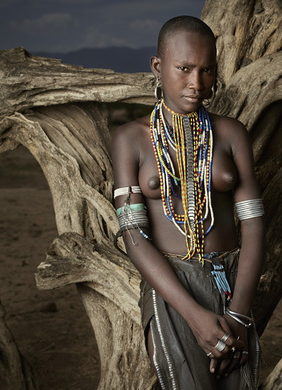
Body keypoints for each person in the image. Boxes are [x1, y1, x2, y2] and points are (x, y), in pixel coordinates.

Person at [111, 15, 264, 389]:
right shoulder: (130, 139)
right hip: (171, 285)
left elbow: (255, 227)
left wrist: (239, 317)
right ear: (158, 67)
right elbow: (133, 237)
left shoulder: (231, 134)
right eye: (184, 69)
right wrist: (195, 316)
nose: (197, 84)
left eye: (207, 70)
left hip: (233, 281)